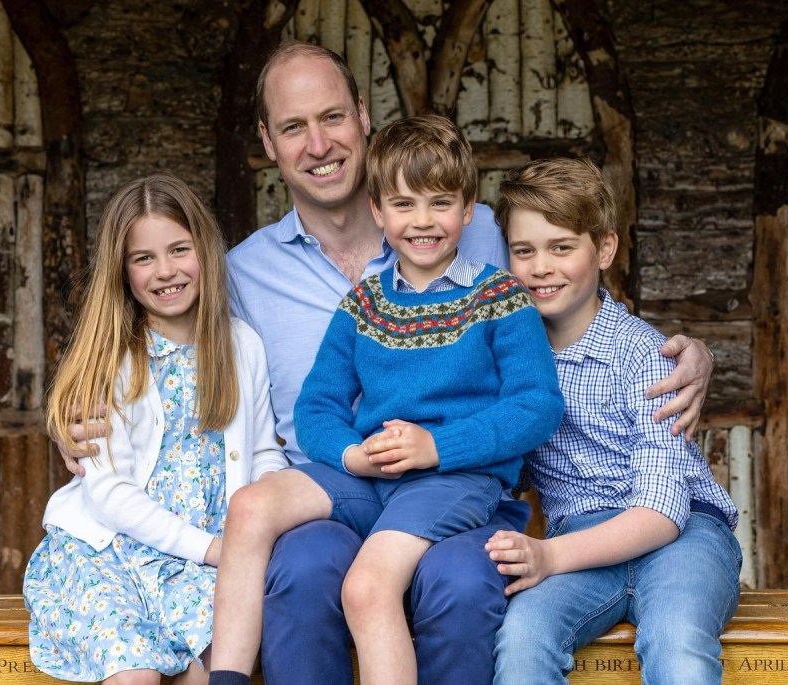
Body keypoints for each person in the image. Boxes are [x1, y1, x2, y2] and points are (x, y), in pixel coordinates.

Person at [61, 43, 714, 684]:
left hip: (461, 484)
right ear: (268, 141)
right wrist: (78, 414)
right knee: (303, 564)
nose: (318, 144)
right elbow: (150, 334)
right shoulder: (246, 276)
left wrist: (688, 351)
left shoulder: (486, 242)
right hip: (339, 485)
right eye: (294, 127)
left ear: (363, 119)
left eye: (332, 117)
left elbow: (572, 290)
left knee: (458, 579)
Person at [207, 114, 565, 685]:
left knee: (368, 586)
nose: (422, 222)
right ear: (378, 212)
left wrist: (436, 446)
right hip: (370, 477)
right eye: (403, 205)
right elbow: (318, 407)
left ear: (469, 210)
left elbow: (538, 404)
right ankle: (223, 679)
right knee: (251, 506)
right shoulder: (363, 305)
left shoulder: (499, 298)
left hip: (453, 479)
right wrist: (351, 454)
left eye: (440, 203)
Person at [486, 158, 741, 685]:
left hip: (683, 538)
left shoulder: (645, 356)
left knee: (677, 638)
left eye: (562, 247)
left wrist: (548, 555)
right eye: (523, 250)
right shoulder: (513, 364)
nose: (540, 267)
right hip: (580, 544)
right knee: (522, 637)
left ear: (603, 248)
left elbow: (663, 512)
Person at [24, 175, 288, 685]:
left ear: (205, 251)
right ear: (122, 272)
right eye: (143, 258)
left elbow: (262, 452)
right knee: (136, 674)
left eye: (179, 249)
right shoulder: (113, 358)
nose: (165, 271)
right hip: (108, 551)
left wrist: (263, 506)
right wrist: (212, 548)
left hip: (201, 564)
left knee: (209, 668)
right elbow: (108, 492)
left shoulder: (241, 346)